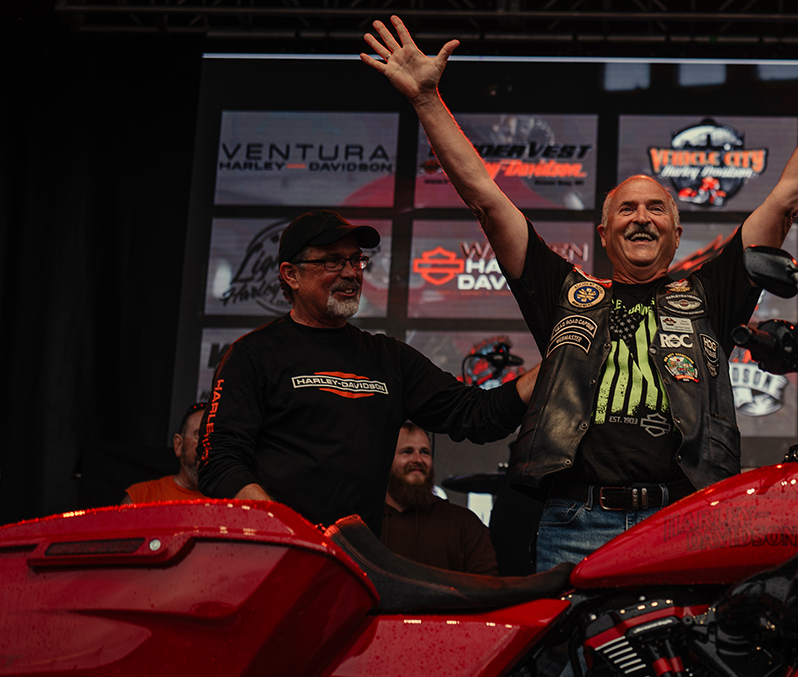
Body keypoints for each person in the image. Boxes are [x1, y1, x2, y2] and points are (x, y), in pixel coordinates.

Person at [360, 13, 798, 568]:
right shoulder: (565, 293)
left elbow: (785, 202)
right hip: (574, 523)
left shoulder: (709, 293)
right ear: (604, 230)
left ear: (677, 230)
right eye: (627, 209)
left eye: (656, 207)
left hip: (686, 517)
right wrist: (426, 100)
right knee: (571, 658)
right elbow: (487, 201)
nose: (642, 218)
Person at [198, 209, 537, 534]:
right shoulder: (253, 355)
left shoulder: (387, 358)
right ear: (291, 274)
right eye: (332, 261)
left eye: (356, 260)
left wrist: (557, 365)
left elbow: (478, 414)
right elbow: (220, 464)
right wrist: (288, 532)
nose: (351, 272)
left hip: (355, 567)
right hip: (275, 559)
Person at [380, 421, 500, 576]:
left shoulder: (465, 524)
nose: (418, 459)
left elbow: (488, 590)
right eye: (407, 451)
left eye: (425, 452)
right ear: (386, 459)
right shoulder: (365, 524)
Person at [123, 403, 206, 503]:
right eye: (200, 435)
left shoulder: (228, 500)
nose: (208, 446)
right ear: (178, 445)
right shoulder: (140, 498)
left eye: (215, 439)